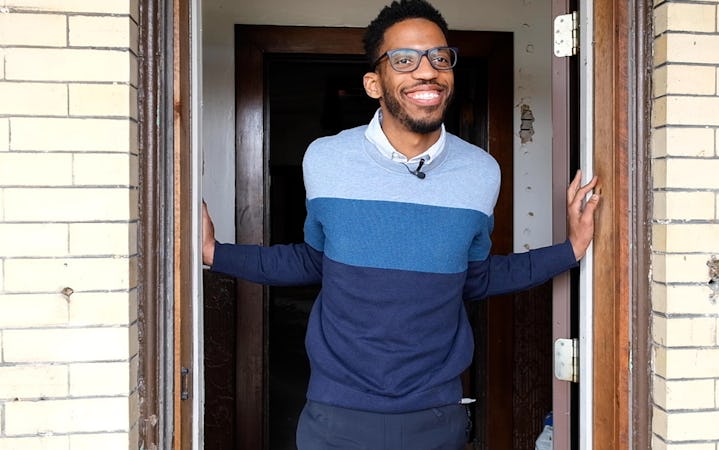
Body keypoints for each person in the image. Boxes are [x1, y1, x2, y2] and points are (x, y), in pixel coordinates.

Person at [202, 0, 599, 448]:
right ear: (374, 83)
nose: (426, 71)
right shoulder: (326, 158)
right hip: (335, 415)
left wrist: (570, 249)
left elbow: (476, 276)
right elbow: (315, 261)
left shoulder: (482, 171)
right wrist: (216, 253)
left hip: (437, 416)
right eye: (404, 59)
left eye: (439, 57)